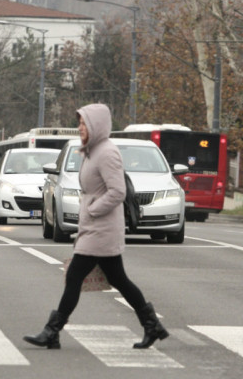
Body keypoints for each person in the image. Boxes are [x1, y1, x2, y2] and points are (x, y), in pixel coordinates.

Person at [23, 103, 168, 350]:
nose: (80, 127)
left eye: (84, 123)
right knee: (119, 279)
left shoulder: (107, 152)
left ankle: (52, 331)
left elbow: (118, 191)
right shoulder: (92, 151)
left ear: (97, 126)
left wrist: (92, 210)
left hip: (102, 228)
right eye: (79, 123)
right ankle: (151, 325)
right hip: (95, 226)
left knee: (75, 276)